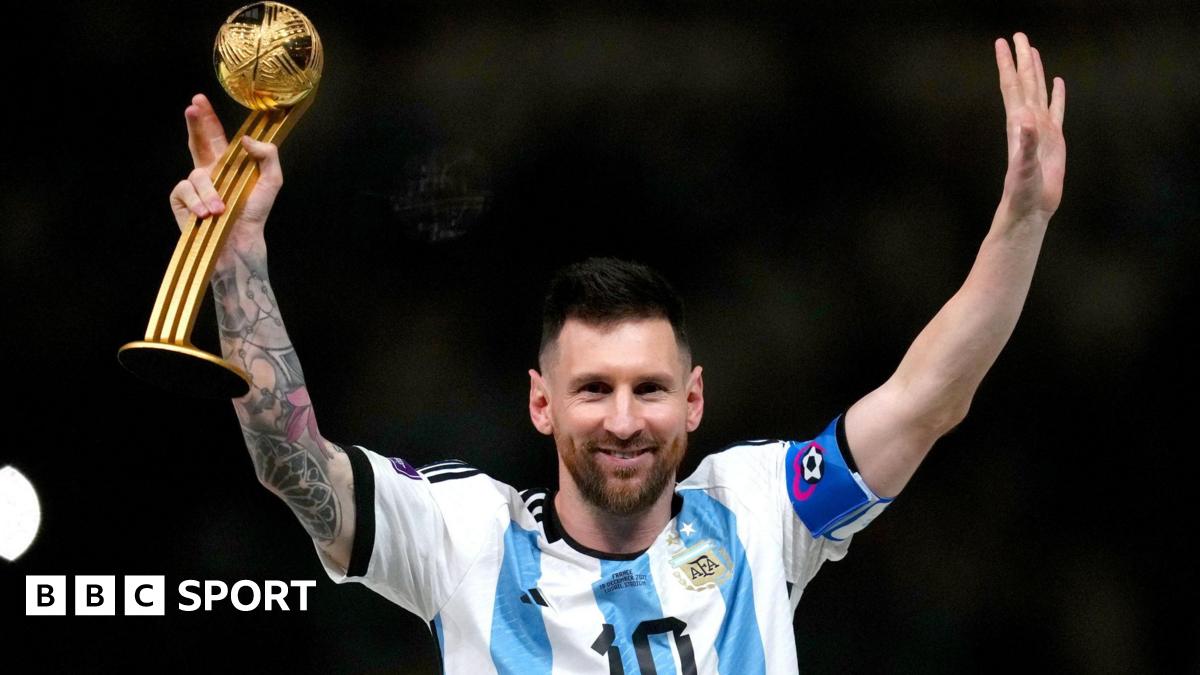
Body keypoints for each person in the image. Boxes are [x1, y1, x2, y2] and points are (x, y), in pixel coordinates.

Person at [170, 32, 1065, 674]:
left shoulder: (759, 511)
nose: (626, 418)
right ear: (541, 402)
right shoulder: (463, 535)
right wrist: (238, 255)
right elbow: (292, 463)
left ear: (695, 400)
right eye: (593, 388)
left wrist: (1021, 221)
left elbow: (927, 396)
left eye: (650, 388)